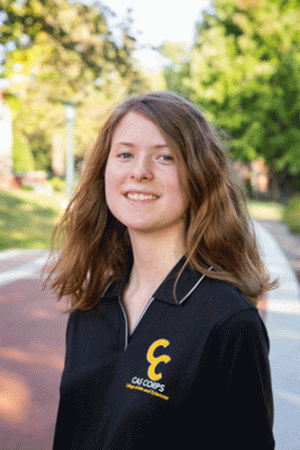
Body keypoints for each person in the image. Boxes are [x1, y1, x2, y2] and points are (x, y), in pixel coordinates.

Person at [48, 92, 276, 449]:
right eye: (125, 154)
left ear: (198, 176)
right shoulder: (91, 306)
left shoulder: (228, 320)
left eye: (165, 157)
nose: (139, 171)